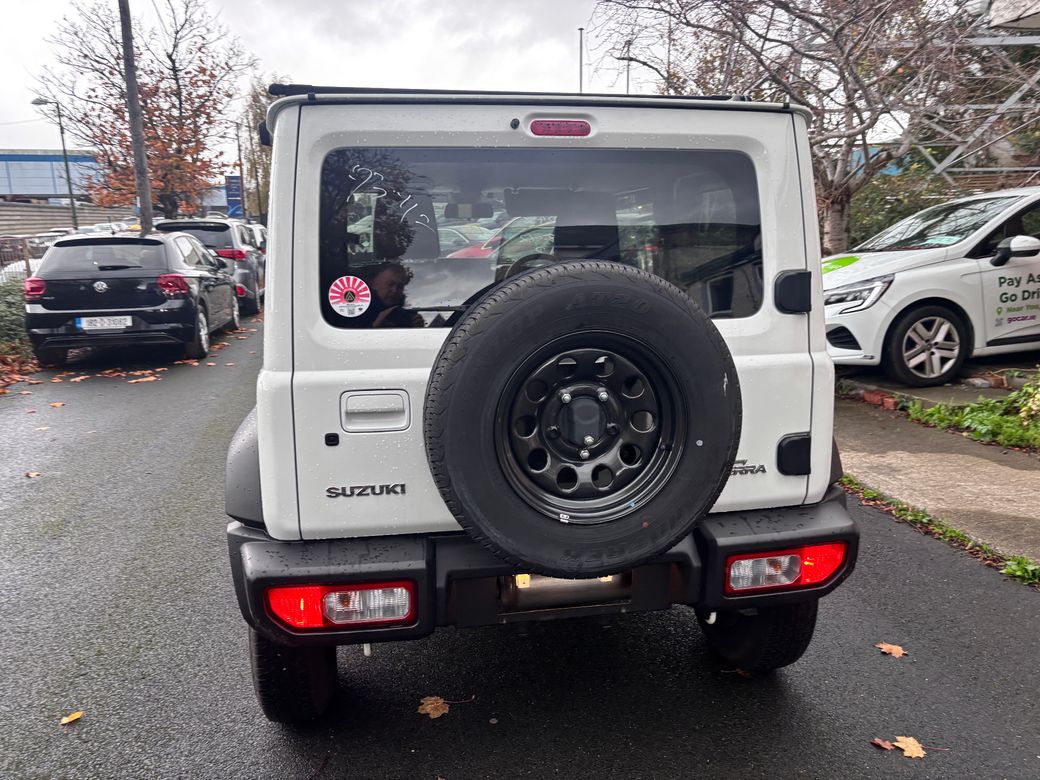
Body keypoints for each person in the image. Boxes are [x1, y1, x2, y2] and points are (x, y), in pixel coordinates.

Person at [356, 261, 425, 328]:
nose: (395, 290)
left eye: (400, 286)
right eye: (390, 284)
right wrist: (375, 325)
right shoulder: (356, 310)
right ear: (374, 284)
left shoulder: (405, 314)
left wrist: (416, 327)